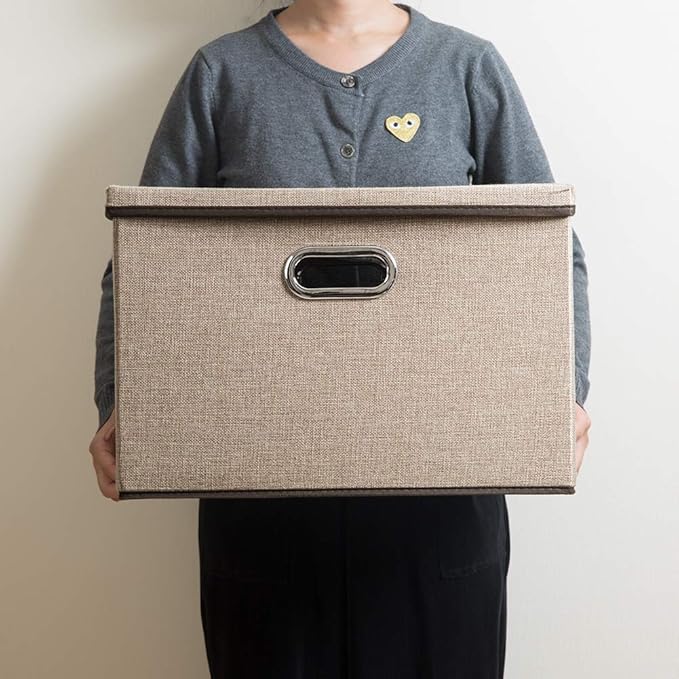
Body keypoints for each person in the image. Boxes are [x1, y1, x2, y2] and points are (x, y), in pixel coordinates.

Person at [89, 1, 592, 676]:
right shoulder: (221, 72)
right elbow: (143, 257)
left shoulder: (466, 66)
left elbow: (550, 247)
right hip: (259, 490)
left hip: (444, 488)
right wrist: (118, 400)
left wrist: (565, 392)